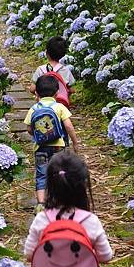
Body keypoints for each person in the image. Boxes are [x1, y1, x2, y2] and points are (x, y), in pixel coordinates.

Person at [24, 151, 112, 263]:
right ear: (83, 186)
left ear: (50, 185)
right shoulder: (91, 221)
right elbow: (105, 257)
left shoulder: (42, 219)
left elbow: (29, 255)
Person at [24, 75, 81, 212]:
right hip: (58, 147)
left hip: (41, 147)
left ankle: (41, 204)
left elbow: (29, 129)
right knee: (60, 172)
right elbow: (68, 126)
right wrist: (75, 142)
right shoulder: (59, 107)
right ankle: (61, 200)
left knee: (41, 174)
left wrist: (40, 134)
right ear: (57, 93)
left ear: (36, 93)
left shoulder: (33, 108)